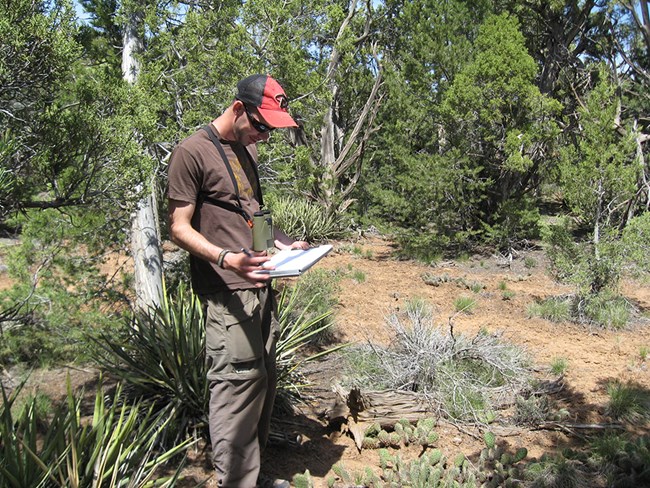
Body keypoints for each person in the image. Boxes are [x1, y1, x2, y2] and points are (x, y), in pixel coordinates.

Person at [167, 74, 308, 488]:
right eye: (261, 125)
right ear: (237, 109)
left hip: (260, 287)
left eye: (271, 129)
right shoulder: (191, 152)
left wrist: (284, 246)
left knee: (261, 384)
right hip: (228, 294)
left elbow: (254, 217)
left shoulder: (243, 152)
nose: (264, 136)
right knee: (236, 389)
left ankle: (253, 477)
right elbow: (178, 227)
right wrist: (228, 259)